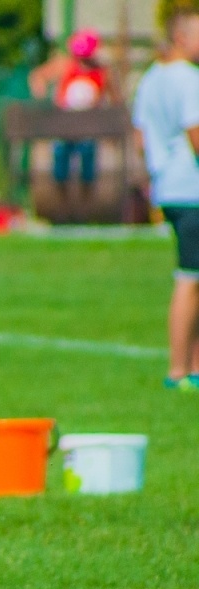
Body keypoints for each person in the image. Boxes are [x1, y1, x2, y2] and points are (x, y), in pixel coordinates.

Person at [133, 9, 199, 390]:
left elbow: (141, 137)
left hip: (169, 187)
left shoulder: (151, 78)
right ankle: (179, 369)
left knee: (194, 277)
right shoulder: (188, 79)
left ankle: (191, 366)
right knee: (190, 278)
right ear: (181, 38)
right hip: (191, 188)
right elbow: (196, 134)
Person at [31, 30, 114, 220]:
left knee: (88, 171)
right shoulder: (66, 66)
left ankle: (85, 211)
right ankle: (63, 210)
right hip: (65, 128)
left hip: (88, 129)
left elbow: (114, 98)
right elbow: (38, 77)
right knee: (60, 169)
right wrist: (42, 96)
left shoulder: (102, 72)